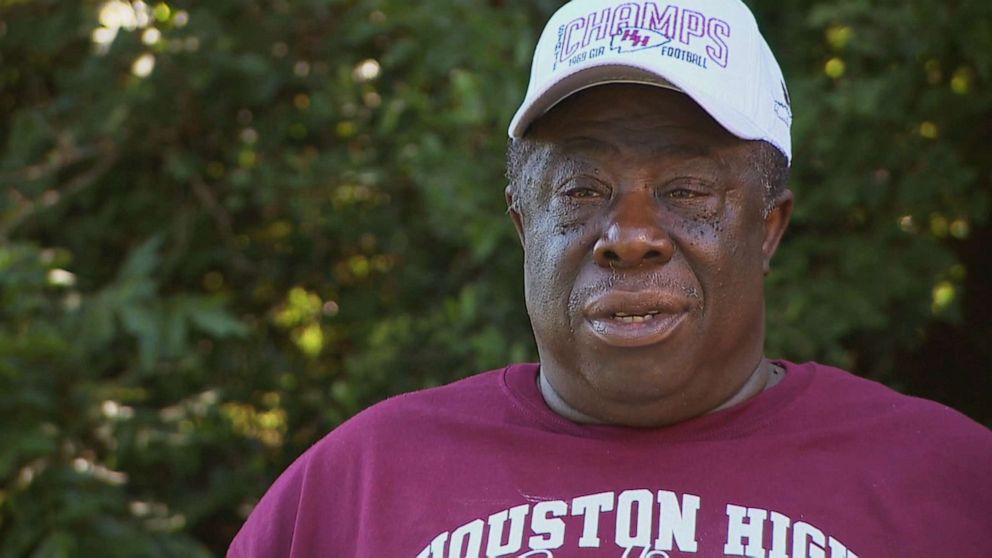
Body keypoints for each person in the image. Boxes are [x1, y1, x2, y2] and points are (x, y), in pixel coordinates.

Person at [228, 0, 992, 556]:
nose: (629, 238)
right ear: (525, 225)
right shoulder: (354, 490)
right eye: (581, 192)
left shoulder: (951, 487)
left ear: (767, 228)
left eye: (687, 191)